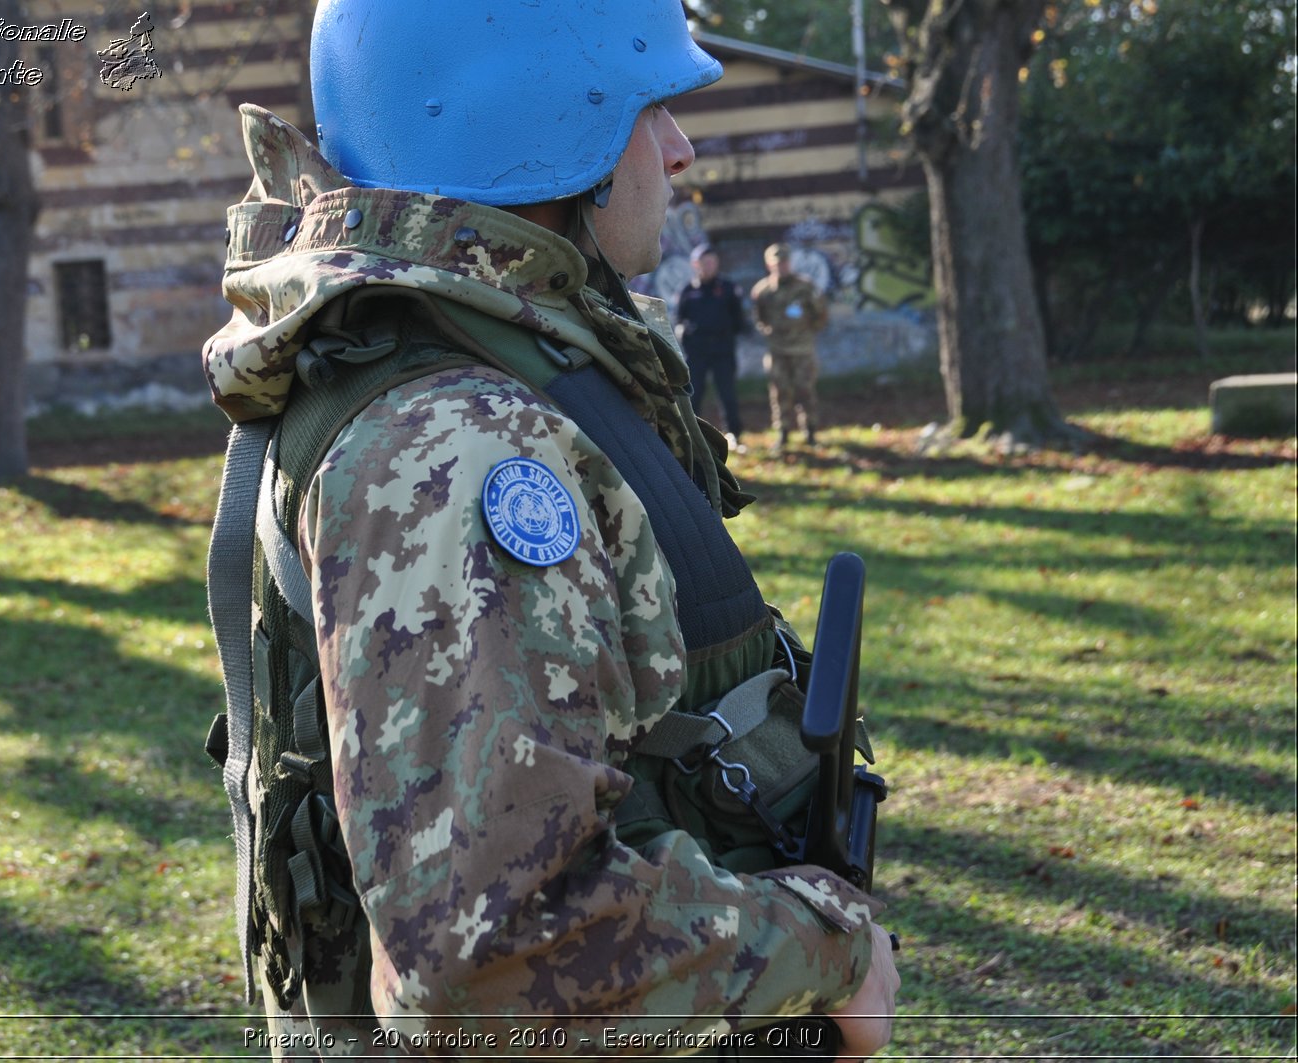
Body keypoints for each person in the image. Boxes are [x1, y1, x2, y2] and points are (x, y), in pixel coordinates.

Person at [201, 0, 899, 1057]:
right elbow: (487, 955)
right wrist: (823, 945)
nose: (679, 146)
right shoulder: (457, 442)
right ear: (534, 116)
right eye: (646, 106)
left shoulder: (488, 359)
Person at [751, 244, 829, 450]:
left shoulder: (805, 287)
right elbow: (760, 317)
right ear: (769, 265)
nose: (781, 267)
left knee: (805, 391)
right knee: (780, 392)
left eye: (784, 263)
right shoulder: (763, 290)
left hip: (802, 350)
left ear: (790, 263)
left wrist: (804, 333)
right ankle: (783, 433)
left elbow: (820, 315)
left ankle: (810, 432)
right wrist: (770, 332)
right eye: (777, 264)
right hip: (777, 350)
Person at [676, 244, 750, 451]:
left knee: (727, 395)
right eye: (704, 262)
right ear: (695, 264)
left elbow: (739, 321)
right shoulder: (688, 291)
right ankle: (692, 438)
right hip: (697, 352)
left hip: (722, 351)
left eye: (712, 262)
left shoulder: (728, 289)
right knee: (694, 395)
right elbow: (679, 319)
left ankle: (734, 434)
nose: (709, 266)